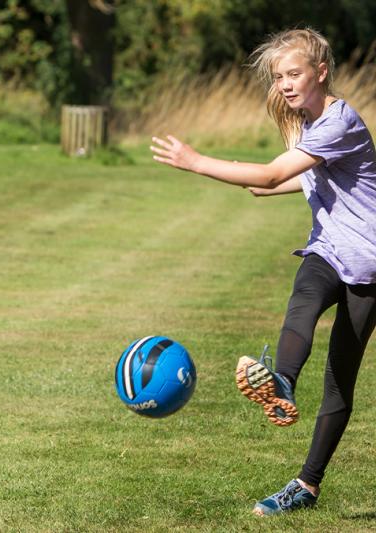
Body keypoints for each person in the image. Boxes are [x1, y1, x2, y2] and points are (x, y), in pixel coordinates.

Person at [150, 28, 376, 516]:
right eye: (279, 77)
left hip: (370, 264)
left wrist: (196, 162)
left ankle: (307, 484)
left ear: (321, 72)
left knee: (341, 379)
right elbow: (282, 180)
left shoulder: (339, 121)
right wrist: (261, 179)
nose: (286, 84)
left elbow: (275, 174)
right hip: (330, 250)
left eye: (294, 74)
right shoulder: (309, 124)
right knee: (303, 300)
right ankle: (283, 382)